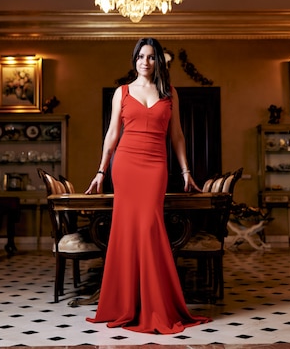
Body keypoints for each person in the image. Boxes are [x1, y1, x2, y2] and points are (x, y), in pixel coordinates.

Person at [84, 37, 211, 334]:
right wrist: (101, 171)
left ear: (159, 62)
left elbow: (177, 135)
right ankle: (125, 302)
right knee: (127, 229)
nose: (146, 62)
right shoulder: (122, 92)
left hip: (155, 166)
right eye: (141, 56)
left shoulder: (170, 94)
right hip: (126, 164)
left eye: (152, 57)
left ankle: (155, 302)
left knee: (150, 228)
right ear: (135, 60)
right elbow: (112, 133)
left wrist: (185, 171)